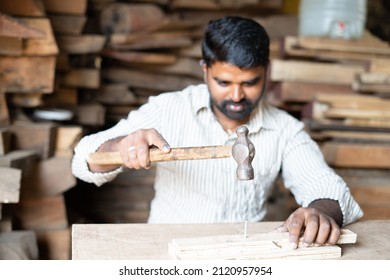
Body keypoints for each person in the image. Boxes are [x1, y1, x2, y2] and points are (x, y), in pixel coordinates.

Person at [72, 16, 363, 249]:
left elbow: (330, 189)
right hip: (166, 251)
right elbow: (84, 162)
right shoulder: (169, 109)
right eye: (223, 82)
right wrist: (123, 145)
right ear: (204, 70)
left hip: (242, 255)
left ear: (267, 73)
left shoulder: (284, 129)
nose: (236, 95)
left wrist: (320, 213)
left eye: (249, 82)